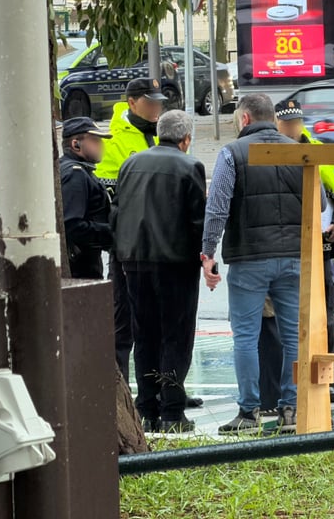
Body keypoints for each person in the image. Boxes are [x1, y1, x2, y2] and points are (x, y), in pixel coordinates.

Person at [201, 93, 323, 434]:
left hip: (249, 259)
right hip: (294, 258)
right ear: (273, 118)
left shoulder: (232, 153)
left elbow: (218, 207)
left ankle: (249, 412)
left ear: (244, 119)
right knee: (294, 336)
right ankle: (291, 409)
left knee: (245, 337)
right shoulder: (298, 151)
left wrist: (208, 251)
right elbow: (319, 202)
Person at [111, 110, 206, 433]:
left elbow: (117, 212)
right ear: (186, 139)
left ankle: (147, 407)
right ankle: (172, 411)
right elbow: (197, 220)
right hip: (175, 263)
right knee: (176, 336)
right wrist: (205, 256)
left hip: (134, 261)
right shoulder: (190, 166)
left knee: (145, 334)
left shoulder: (131, 163)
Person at [274, 99, 334, 403]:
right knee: (288, 318)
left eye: (296, 122)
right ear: (277, 123)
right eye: (287, 123)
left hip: (317, 245)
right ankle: (290, 383)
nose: (293, 128)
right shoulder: (272, 151)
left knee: (323, 316)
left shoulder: (317, 149)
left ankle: (329, 379)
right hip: (284, 244)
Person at [59, 116, 113, 279]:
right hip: (81, 267)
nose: (101, 145)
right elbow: (72, 225)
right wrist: (113, 232)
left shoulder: (73, 169)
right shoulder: (75, 174)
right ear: (76, 144)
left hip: (81, 262)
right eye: (95, 140)